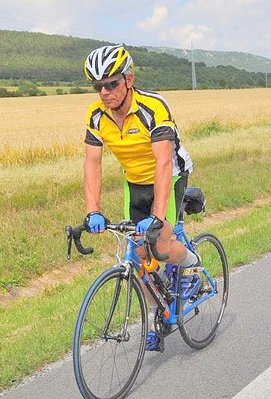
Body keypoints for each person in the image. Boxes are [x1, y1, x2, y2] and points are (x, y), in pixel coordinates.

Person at [82, 44, 197, 351]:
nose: (105, 92)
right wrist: (92, 210)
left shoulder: (153, 107)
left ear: (128, 79)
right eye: (98, 86)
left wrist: (157, 217)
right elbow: (92, 164)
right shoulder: (97, 116)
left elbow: (162, 163)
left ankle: (192, 265)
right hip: (134, 183)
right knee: (137, 253)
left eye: (112, 83)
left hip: (170, 176)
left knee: (158, 245)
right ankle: (157, 310)